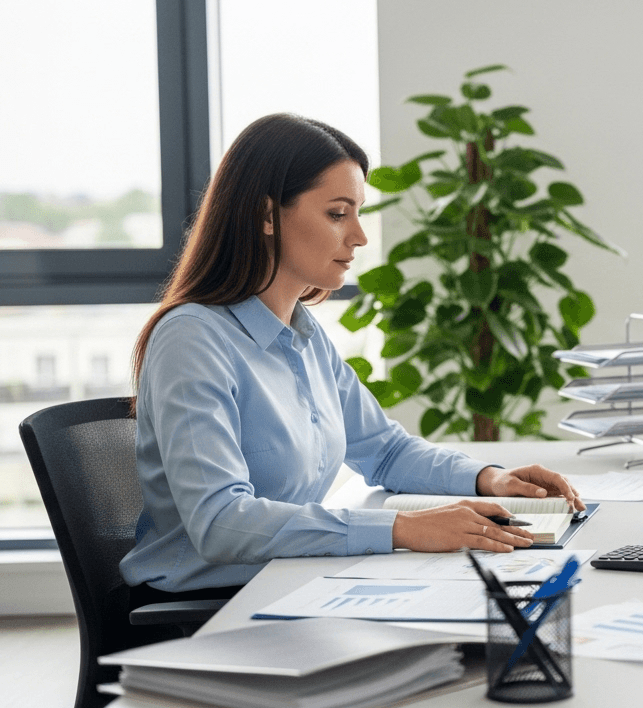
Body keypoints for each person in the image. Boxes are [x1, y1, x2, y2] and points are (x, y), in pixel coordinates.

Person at [120, 113, 584, 600]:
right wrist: (403, 529)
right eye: (338, 214)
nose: (359, 236)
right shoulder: (192, 340)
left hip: (290, 581)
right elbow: (219, 523)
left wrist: (491, 478)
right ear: (265, 215)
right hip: (206, 608)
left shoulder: (302, 334)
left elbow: (384, 450)